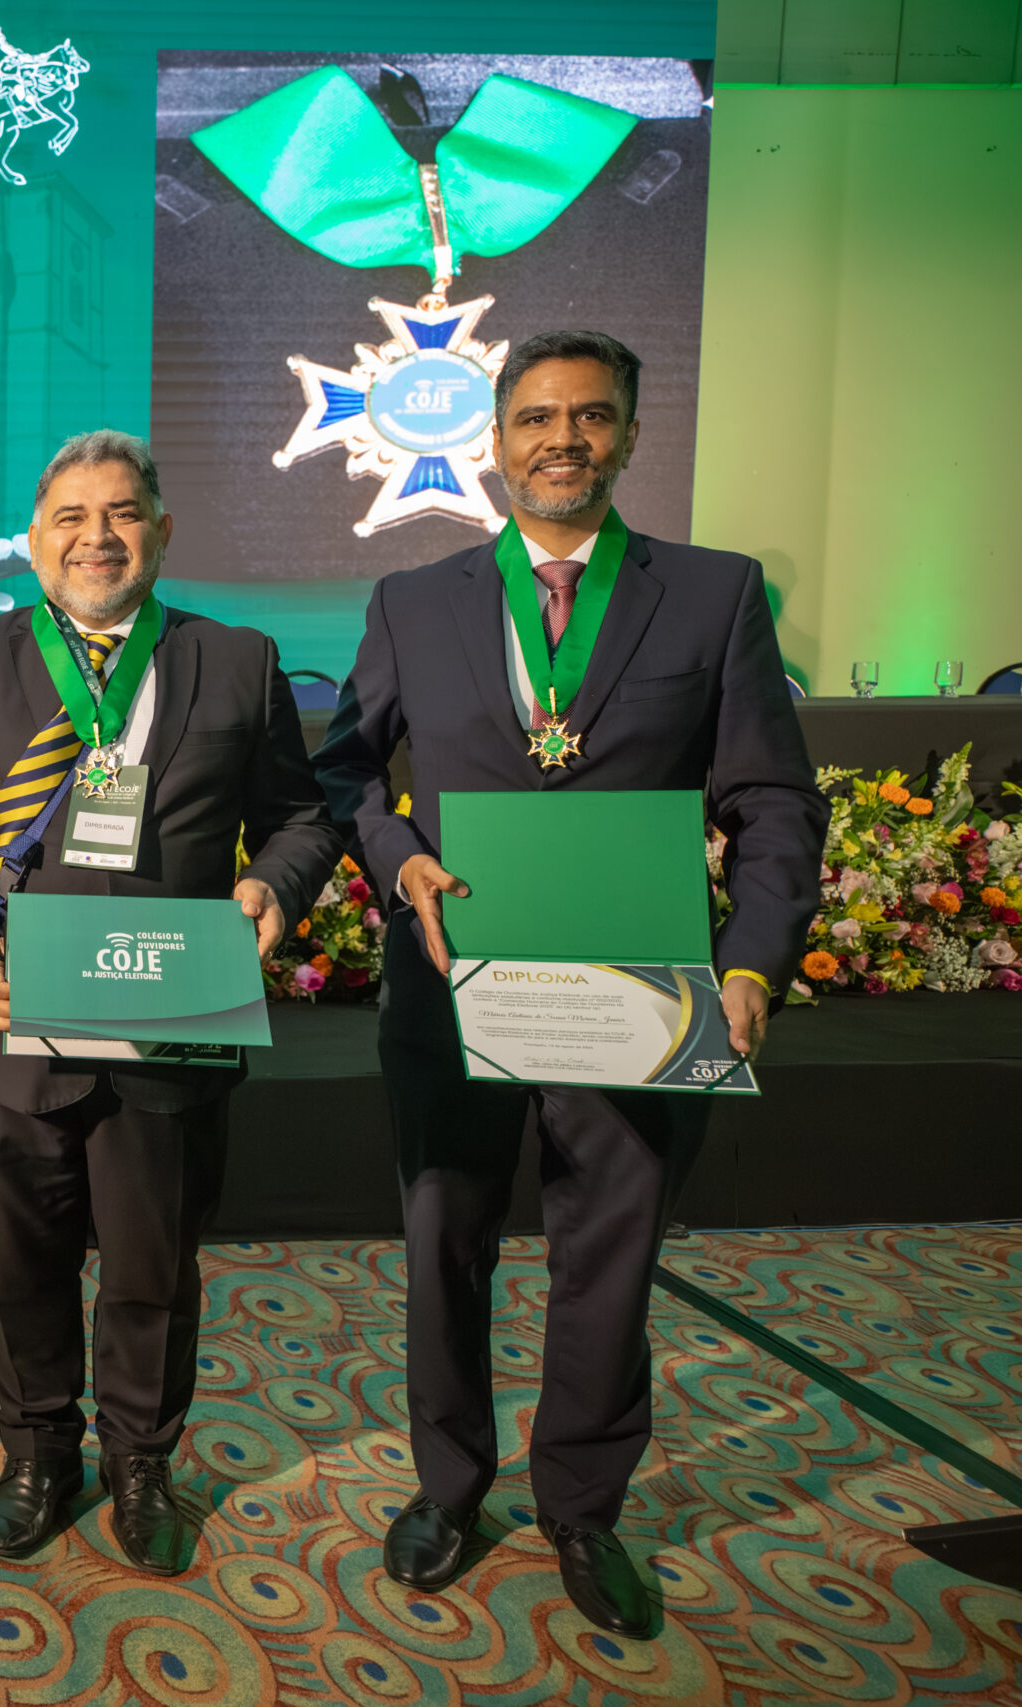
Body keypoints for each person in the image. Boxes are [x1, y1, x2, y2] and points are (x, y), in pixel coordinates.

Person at [314, 331, 827, 1636]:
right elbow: (344, 773)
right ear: (495, 438)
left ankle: (584, 1507)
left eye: (591, 418)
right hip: (454, 987)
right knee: (446, 1246)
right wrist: (401, 857)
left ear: (632, 435)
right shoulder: (413, 601)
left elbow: (771, 798)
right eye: (537, 417)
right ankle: (449, 1483)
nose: (563, 439)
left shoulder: (713, 596)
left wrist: (755, 962)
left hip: (644, 997)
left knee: (610, 1259)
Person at [0, 429, 342, 1574]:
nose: (95, 538)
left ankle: (141, 1460)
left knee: (155, 1265)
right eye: (69, 517)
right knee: (21, 1262)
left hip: (171, 1026)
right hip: (17, 1026)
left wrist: (272, 885)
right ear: (32, 539)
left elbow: (302, 817)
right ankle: (37, 1448)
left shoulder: (235, 660)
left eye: (119, 514)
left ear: (160, 529)